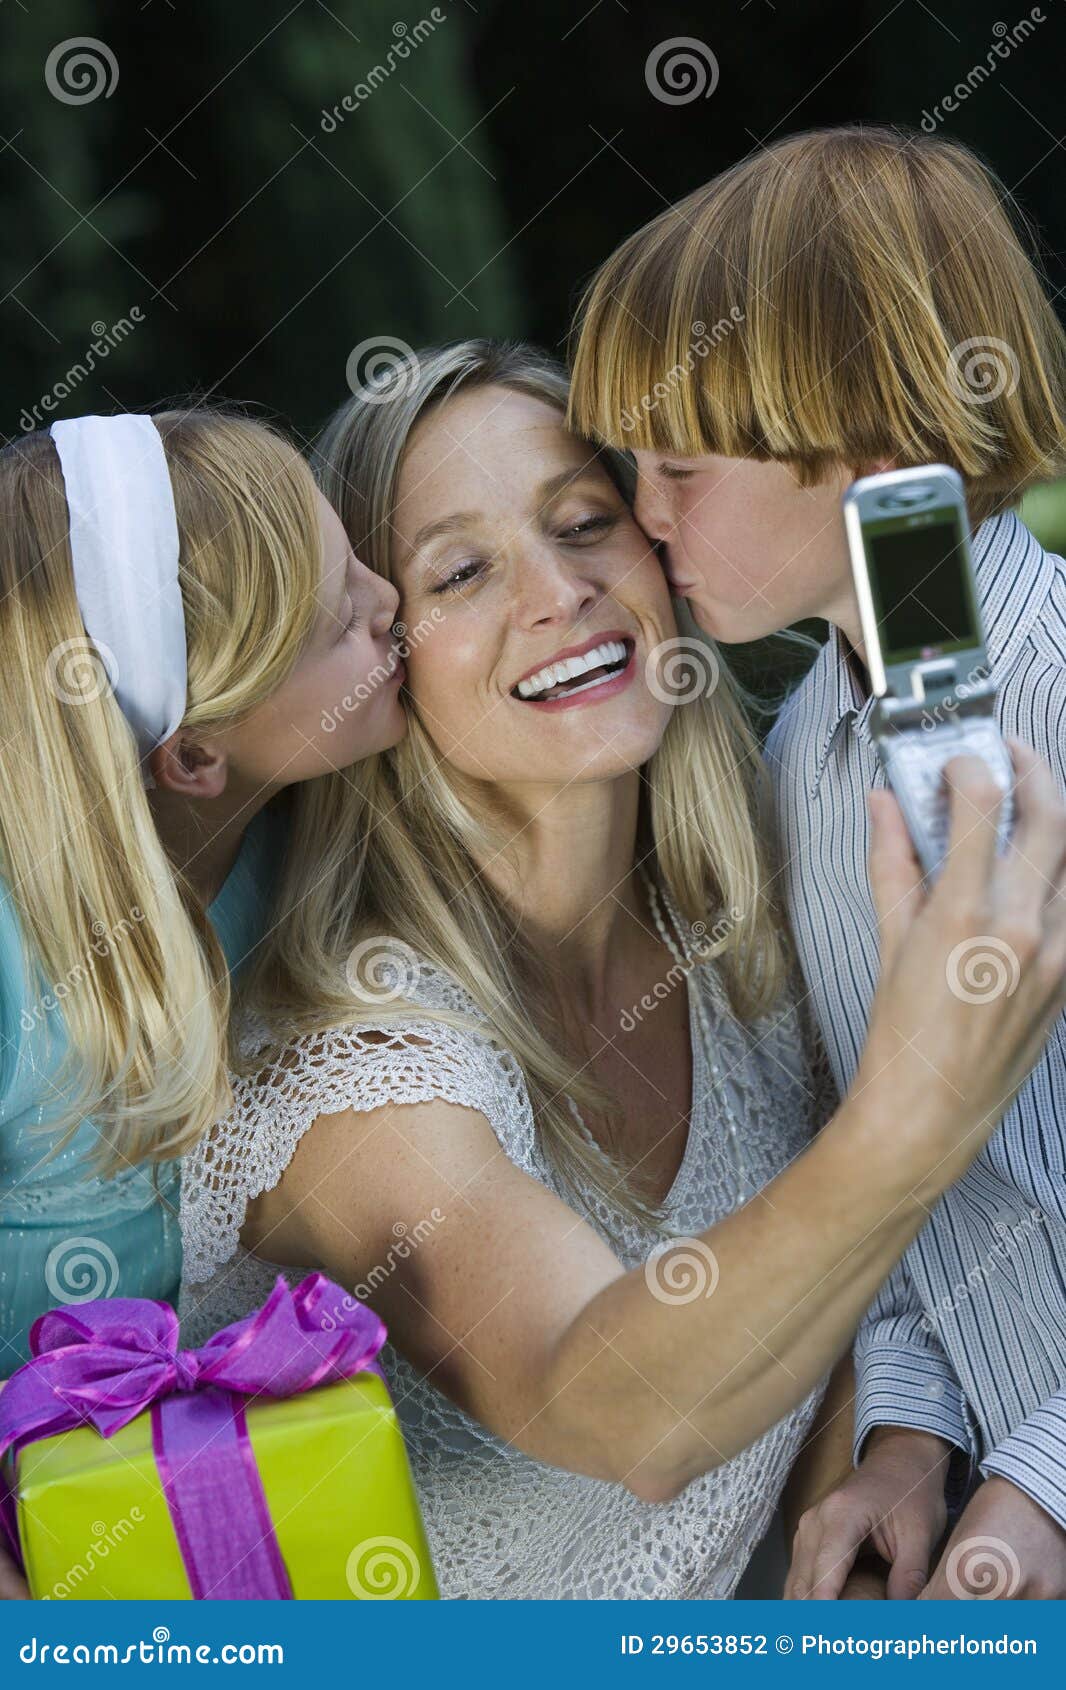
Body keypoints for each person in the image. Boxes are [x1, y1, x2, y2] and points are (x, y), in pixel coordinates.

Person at [179, 341, 1066, 1600]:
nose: (558, 593)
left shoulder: (749, 916)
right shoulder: (351, 1064)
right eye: (464, 569)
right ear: (378, 647)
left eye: (583, 521)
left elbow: (828, 1289)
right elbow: (619, 1410)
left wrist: (891, 1458)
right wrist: (921, 1106)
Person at [567, 123, 1066, 1599]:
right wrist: (910, 1433)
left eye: (678, 465)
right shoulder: (808, 748)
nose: (644, 522)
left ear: (870, 434)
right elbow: (902, 1165)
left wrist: (1040, 1483)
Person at [0, 406, 405, 1597]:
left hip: (193, 1523)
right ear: (194, 756)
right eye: (342, 621)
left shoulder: (291, 860)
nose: (393, 600)